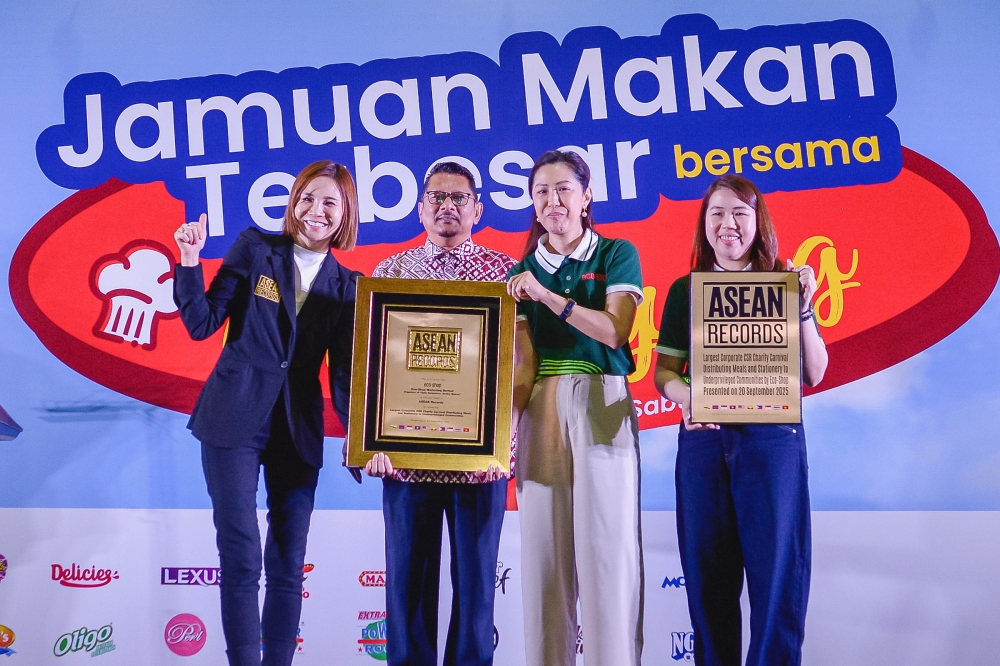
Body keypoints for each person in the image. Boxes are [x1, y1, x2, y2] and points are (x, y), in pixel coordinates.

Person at [173, 161, 360, 666]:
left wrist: (362, 439)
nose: (315, 211)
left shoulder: (349, 286)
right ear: (292, 203)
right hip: (232, 419)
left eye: (329, 203)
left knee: (287, 562)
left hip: (297, 428)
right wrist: (189, 260)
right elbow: (201, 321)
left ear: (345, 214)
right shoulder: (256, 248)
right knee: (240, 555)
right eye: (306, 198)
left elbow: (342, 373)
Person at [653, 174, 828, 666]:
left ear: (758, 222)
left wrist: (805, 309)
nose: (727, 224)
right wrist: (686, 396)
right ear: (703, 225)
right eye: (716, 214)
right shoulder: (685, 291)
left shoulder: (784, 284)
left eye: (739, 214)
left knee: (777, 584)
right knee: (708, 584)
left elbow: (814, 372)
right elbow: (662, 372)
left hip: (771, 448)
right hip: (705, 448)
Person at [364, 162, 515, 666]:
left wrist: (505, 440)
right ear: (420, 207)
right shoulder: (391, 272)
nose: (447, 206)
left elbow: (520, 362)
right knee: (406, 587)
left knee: (477, 589)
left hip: (480, 458)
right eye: (436, 197)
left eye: (459, 197)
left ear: (478, 207)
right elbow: (371, 365)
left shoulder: (506, 274)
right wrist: (371, 442)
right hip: (406, 455)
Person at [507, 149, 644, 666]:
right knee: (544, 549)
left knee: (607, 546)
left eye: (564, 189)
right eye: (542, 191)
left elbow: (615, 332)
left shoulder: (614, 253)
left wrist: (548, 297)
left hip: (602, 396)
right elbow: (525, 362)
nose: (552, 200)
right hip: (542, 401)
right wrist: (509, 429)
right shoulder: (522, 271)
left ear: (586, 197)